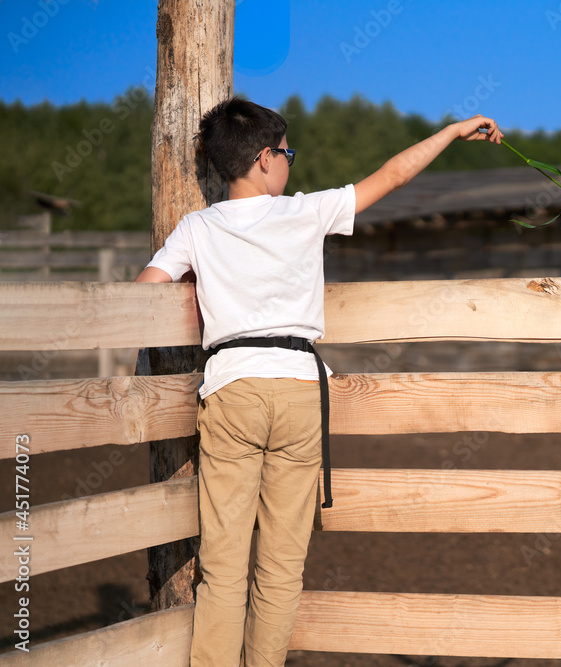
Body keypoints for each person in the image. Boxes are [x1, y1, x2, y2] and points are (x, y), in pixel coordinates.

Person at [135, 97, 503, 666]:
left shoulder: (196, 227)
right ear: (263, 158)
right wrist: (451, 132)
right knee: (280, 570)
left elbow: (145, 289)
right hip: (300, 390)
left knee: (223, 569)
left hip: (232, 389)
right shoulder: (306, 212)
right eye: (286, 152)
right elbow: (394, 174)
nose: (290, 162)